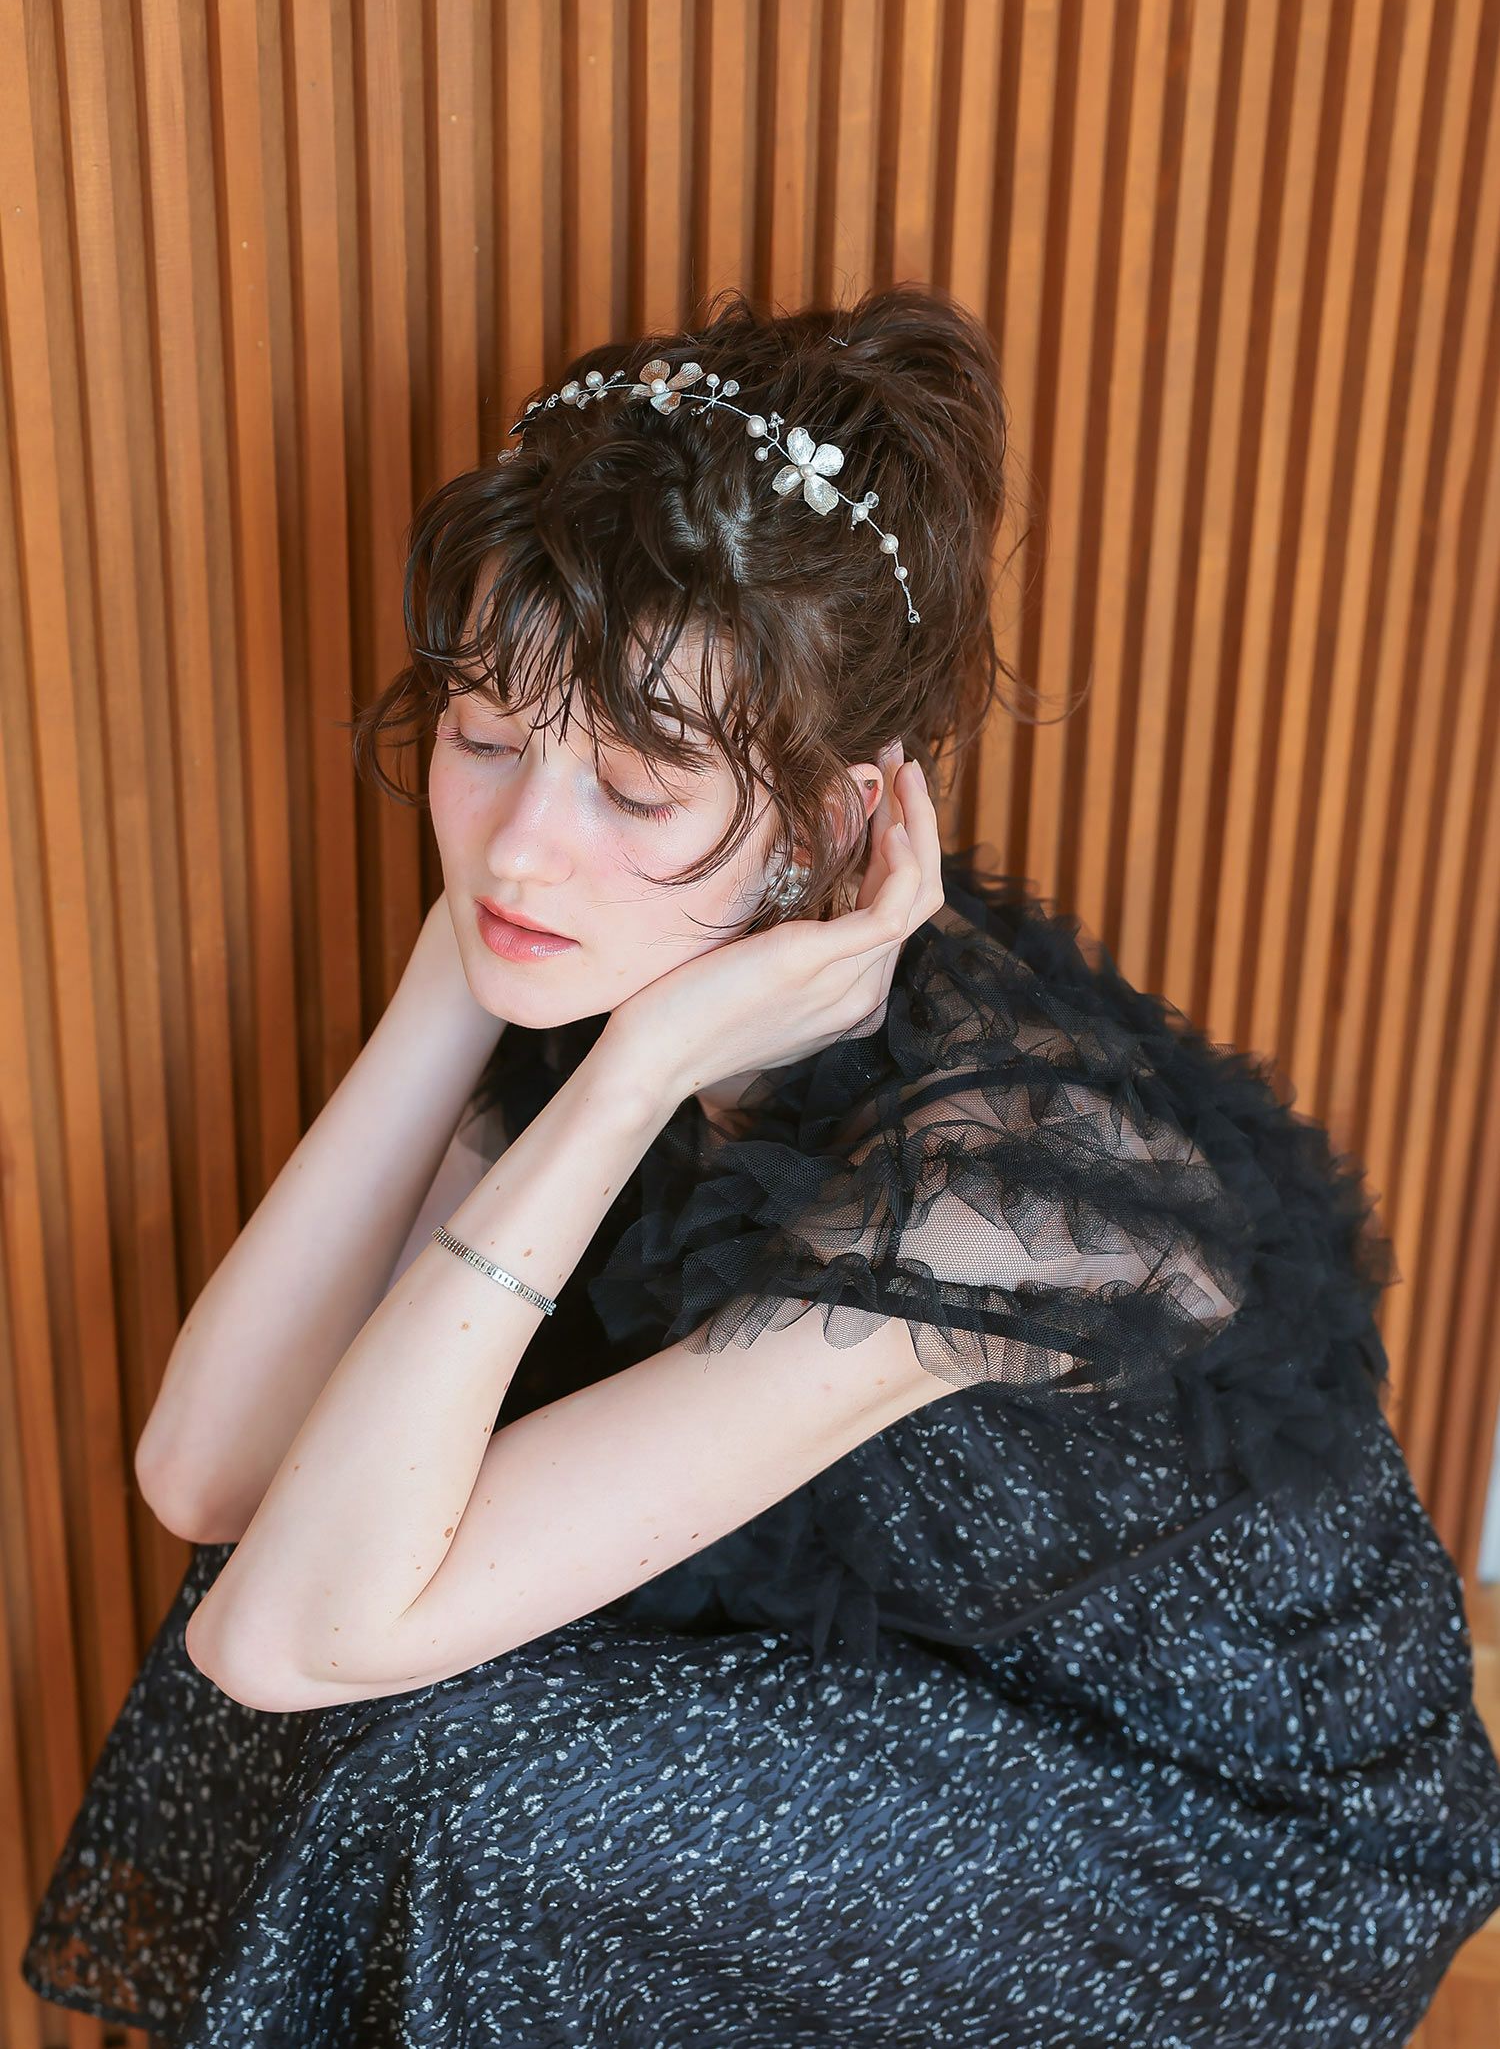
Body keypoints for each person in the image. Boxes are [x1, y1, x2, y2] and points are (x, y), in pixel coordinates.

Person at [21, 284, 1500, 2048]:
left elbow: (288, 1638)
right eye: (483, 740)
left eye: (636, 790)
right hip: (922, 1684)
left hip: (1218, 1838)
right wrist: (461, 971)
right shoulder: (623, 938)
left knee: (472, 1779)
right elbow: (213, 1477)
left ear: (840, 816)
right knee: (348, 1504)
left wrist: (632, 1073)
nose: (523, 847)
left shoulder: (1001, 1187)